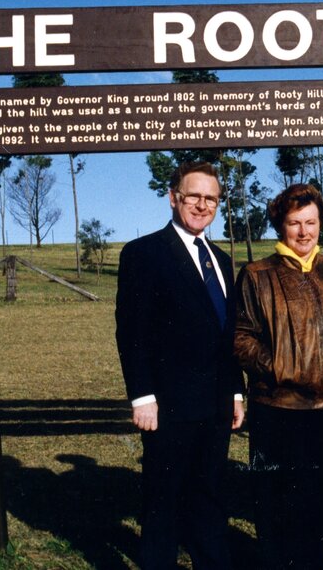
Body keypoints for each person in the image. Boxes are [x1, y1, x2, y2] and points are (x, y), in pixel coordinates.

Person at [115, 161, 245, 570]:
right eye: (194, 196)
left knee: (210, 497)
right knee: (163, 503)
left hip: (216, 402)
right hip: (167, 405)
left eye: (211, 198)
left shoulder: (221, 259)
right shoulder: (144, 253)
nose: (202, 205)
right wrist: (141, 396)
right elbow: (131, 332)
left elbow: (228, 334)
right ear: (174, 198)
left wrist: (236, 391)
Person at [234, 183, 323, 570]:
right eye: (294, 223)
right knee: (275, 499)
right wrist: (280, 368)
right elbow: (241, 337)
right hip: (276, 405)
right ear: (280, 226)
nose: (304, 232)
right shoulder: (258, 274)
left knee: (319, 499)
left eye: (311, 222)